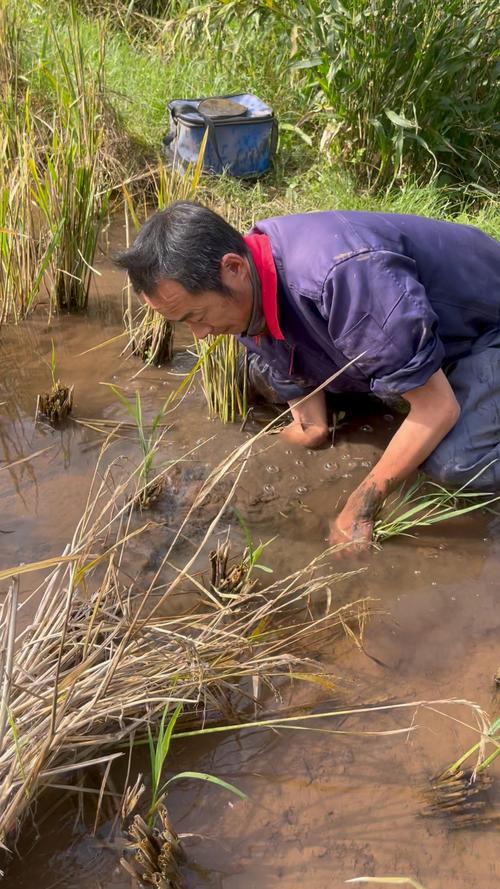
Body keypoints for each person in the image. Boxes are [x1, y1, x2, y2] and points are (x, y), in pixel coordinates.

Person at [116, 201, 500, 550]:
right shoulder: (251, 283)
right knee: (253, 375)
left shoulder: (341, 276)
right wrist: (236, 465)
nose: (199, 335)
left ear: (232, 268)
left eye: (196, 317)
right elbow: (310, 423)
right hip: (407, 327)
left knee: (457, 464)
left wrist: (360, 505)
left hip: (484, 329)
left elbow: (436, 407)